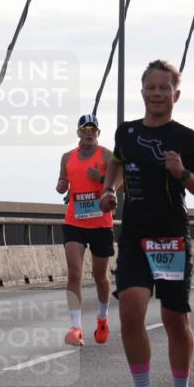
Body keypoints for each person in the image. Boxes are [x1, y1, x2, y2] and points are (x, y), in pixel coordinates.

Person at [99, 59, 194, 387]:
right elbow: (116, 165)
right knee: (130, 313)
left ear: (175, 95)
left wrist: (182, 174)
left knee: (174, 321)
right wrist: (108, 190)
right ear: (143, 92)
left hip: (170, 237)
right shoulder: (127, 133)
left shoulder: (187, 139)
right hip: (133, 235)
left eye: (165, 88)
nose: (157, 94)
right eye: (152, 87)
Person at [56, 114, 115, 346]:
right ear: (78, 133)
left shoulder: (107, 156)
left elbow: (121, 182)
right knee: (74, 273)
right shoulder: (67, 157)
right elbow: (63, 182)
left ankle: (102, 318)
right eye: (85, 129)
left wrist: (101, 178)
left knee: (100, 277)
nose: (89, 133)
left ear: (98, 133)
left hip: (100, 223)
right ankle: (76, 327)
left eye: (93, 129)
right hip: (75, 221)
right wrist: (61, 185)